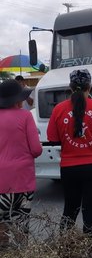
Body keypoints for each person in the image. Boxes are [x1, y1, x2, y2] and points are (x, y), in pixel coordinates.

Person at [47, 69, 92, 238]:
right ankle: (89, 252)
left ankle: (64, 248)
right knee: (90, 211)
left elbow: (53, 139)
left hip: (70, 168)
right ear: (89, 86)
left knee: (70, 210)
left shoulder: (59, 110)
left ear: (70, 87)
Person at [0, 79, 42, 245]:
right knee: (20, 224)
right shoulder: (25, 116)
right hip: (22, 181)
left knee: (1, 224)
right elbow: (36, 150)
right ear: (17, 100)